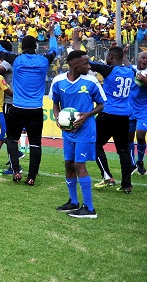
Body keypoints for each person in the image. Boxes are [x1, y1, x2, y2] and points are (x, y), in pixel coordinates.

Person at [0, 20, 58, 186]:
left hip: (17, 107)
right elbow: (55, 50)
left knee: (11, 139)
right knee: (35, 143)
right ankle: (32, 177)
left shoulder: (16, 59)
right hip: (36, 109)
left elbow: (0, 51)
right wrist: (52, 34)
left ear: (22, 47)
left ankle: (16, 170)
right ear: (36, 47)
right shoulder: (43, 60)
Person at [71, 30, 137, 193]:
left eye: (108, 55)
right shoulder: (130, 72)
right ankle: (127, 185)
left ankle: (107, 176)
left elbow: (85, 61)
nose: (107, 58)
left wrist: (76, 43)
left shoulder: (109, 70)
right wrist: (124, 55)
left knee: (96, 144)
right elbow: (126, 64)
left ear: (111, 58)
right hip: (124, 117)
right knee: (123, 150)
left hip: (108, 114)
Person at [51, 50, 105, 218]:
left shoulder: (91, 81)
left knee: (79, 165)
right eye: (86, 63)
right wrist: (58, 118)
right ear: (75, 65)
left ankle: (89, 208)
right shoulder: (58, 81)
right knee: (68, 164)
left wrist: (87, 115)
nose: (89, 66)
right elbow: (55, 103)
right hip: (68, 132)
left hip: (86, 130)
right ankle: (73, 201)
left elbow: (101, 104)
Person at [130, 52, 147, 176]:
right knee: (128, 137)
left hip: (144, 109)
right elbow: (125, 63)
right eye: (143, 57)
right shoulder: (131, 69)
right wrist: (123, 54)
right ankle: (132, 164)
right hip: (129, 108)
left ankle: (140, 161)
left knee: (140, 135)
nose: (145, 60)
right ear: (137, 59)